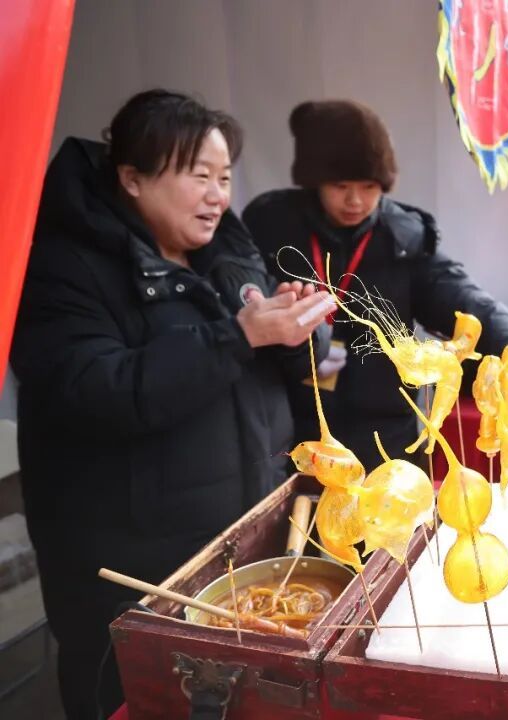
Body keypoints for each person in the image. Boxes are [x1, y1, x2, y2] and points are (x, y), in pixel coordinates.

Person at [11, 90, 331, 719]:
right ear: (132, 178)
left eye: (225, 178)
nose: (217, 196)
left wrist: (295, 334)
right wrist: (239, 335)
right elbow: (95, 391)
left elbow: (282, 369)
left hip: (240, 535)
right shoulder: (62, 264)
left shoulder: (226, 252)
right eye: (199, 176)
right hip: (132, 560)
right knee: (139, 698)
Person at [244, 100, 508, 470]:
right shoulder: (272, 227)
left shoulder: (403, 236)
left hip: (385, 433)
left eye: (369, 186)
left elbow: (457, 294)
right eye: (340, 186)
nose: (355, 200)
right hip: (293, 430)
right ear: (314, 180)